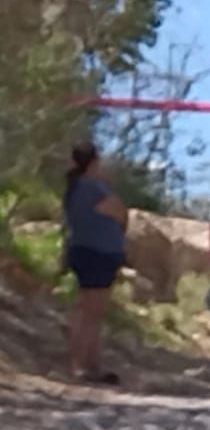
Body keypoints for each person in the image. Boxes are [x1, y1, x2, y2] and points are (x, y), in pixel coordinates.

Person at [63, 141, 128, 384]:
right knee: (93, 313)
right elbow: (119, 211)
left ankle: (87, 363)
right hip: (98, 254)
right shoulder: (92, 188)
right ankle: (84, 366)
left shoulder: (75, 188)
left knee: (85, 309)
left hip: (84, 250)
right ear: (93, 162)